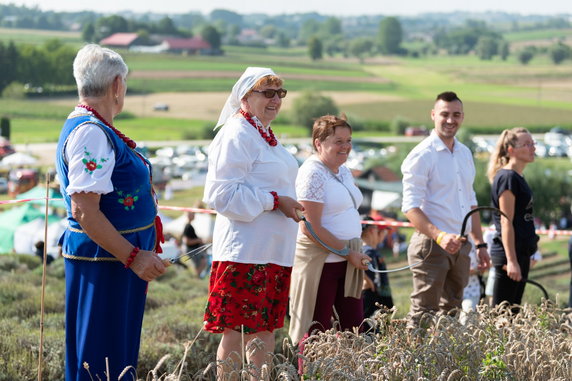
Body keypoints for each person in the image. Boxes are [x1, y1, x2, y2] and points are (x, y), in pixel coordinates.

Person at [55, 44, 167, 381]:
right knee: (101, 355)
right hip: (106, 263)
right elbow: (85, 210)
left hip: (113, 260)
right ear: (117, 85)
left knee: (113, 354)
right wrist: (134, 257)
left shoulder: (95, 127)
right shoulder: (91, 133)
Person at [202, 67, 303, 378]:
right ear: (244, 98)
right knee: (236, 333)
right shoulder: (236, 134)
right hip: (245, 253)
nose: (275, 100)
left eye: (279, 93)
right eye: (267, 93)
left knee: (265, 331)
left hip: (271, 252)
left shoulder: (263, 135)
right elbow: (219, 194)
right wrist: (274, 200)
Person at [401, 91, 490, 328]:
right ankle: (412, 364)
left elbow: (471, 202)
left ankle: (444, 364)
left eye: (456, 115)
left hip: (461, 245)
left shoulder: (464, 153)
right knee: (423, 314)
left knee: (452, 311)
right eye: (444, 114)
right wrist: (439, 236)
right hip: (431, 245)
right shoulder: (421, 155)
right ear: (433, 115)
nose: (450, 120)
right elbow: (410, 207)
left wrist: (480, 244)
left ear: (462, 117)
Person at [289, 115, 370, 354]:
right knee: (316, 332)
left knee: (354, 331)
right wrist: (347, 252)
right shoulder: (312, 173)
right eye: (338, 141)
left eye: (348, 140)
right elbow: (309, 226)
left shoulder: (342, 171)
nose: (345, 147)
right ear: (318, 144)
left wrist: (351, 254)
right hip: (322, 264)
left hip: (348, 262)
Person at [487, 127, 539, 307]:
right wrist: (511, 261)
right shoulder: (508, 177)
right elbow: (505, 221)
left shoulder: (518, 176)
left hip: (520, 253)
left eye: (533, 143)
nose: (532, 148)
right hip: (510, 255)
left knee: (513, 314)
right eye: (527, 144)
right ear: (511, 150)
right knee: (502, 315)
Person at [361, 216, 393, 321]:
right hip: (371, 294)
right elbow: (361, 270)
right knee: (370, 324)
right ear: (372, 231)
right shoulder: (367, 252)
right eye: (381, 231)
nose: (383, 235)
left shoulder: (372, 251)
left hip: (377, 293)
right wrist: (369, 282)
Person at [181, 210, 205, 275]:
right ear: (189, 215)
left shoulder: (189, 226)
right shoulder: (188, 226)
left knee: (200, 263)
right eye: (192, 214)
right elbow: (187, 241)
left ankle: (196, 278)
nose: (194, 215)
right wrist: (198, 240)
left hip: (192, 250)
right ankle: (196, 278)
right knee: (199, 264)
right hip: (191, 250)